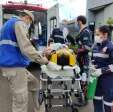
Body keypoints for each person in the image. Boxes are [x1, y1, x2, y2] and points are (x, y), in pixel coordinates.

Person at [0, 10, 49, 112]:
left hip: (11, 66)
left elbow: (18, 47)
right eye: (29, 23)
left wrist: (40, 52)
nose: (28, 25)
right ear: (27, 18)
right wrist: (44, 60)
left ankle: (40, 109)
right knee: (20, 100)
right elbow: (26, 48)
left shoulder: (7, 24)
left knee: (35, 84)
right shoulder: (19, 23)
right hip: (15, 67)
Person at [91, 25, 113, 112]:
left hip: (108, 80)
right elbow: (94, 59)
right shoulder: (96, 46)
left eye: (97, 34)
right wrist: (93, 66)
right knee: (96, 100)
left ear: (105, 34)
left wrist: (102, 70)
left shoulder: (111, 47)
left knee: (108, 103)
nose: (96, 36)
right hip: (97, 79)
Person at [75, 15, 91, 102]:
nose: (77, 23)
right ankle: (81, 94)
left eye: (77, 22)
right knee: (80, 76)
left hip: (84, 58)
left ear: (80, 21)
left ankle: (84, 99)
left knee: (84, 77)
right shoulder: (81, 31)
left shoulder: (86, 31)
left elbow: (88, 47)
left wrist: (77, 51)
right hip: (81, 58)